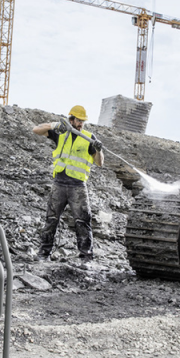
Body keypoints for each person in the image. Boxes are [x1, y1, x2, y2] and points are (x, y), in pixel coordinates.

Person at [32, 105, 104, 260]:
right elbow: (36, 130)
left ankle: (86, 256)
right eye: (78, 120)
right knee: (51, 219)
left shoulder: (88, 138)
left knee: (82, 221)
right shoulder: (61, 133)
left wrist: (99, 150)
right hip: (59, 184)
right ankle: (44, 253)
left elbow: (99, 163)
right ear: (71, 119)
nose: (80, 124)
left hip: (77, 186)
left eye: (82, 121)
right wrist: (53, 125)